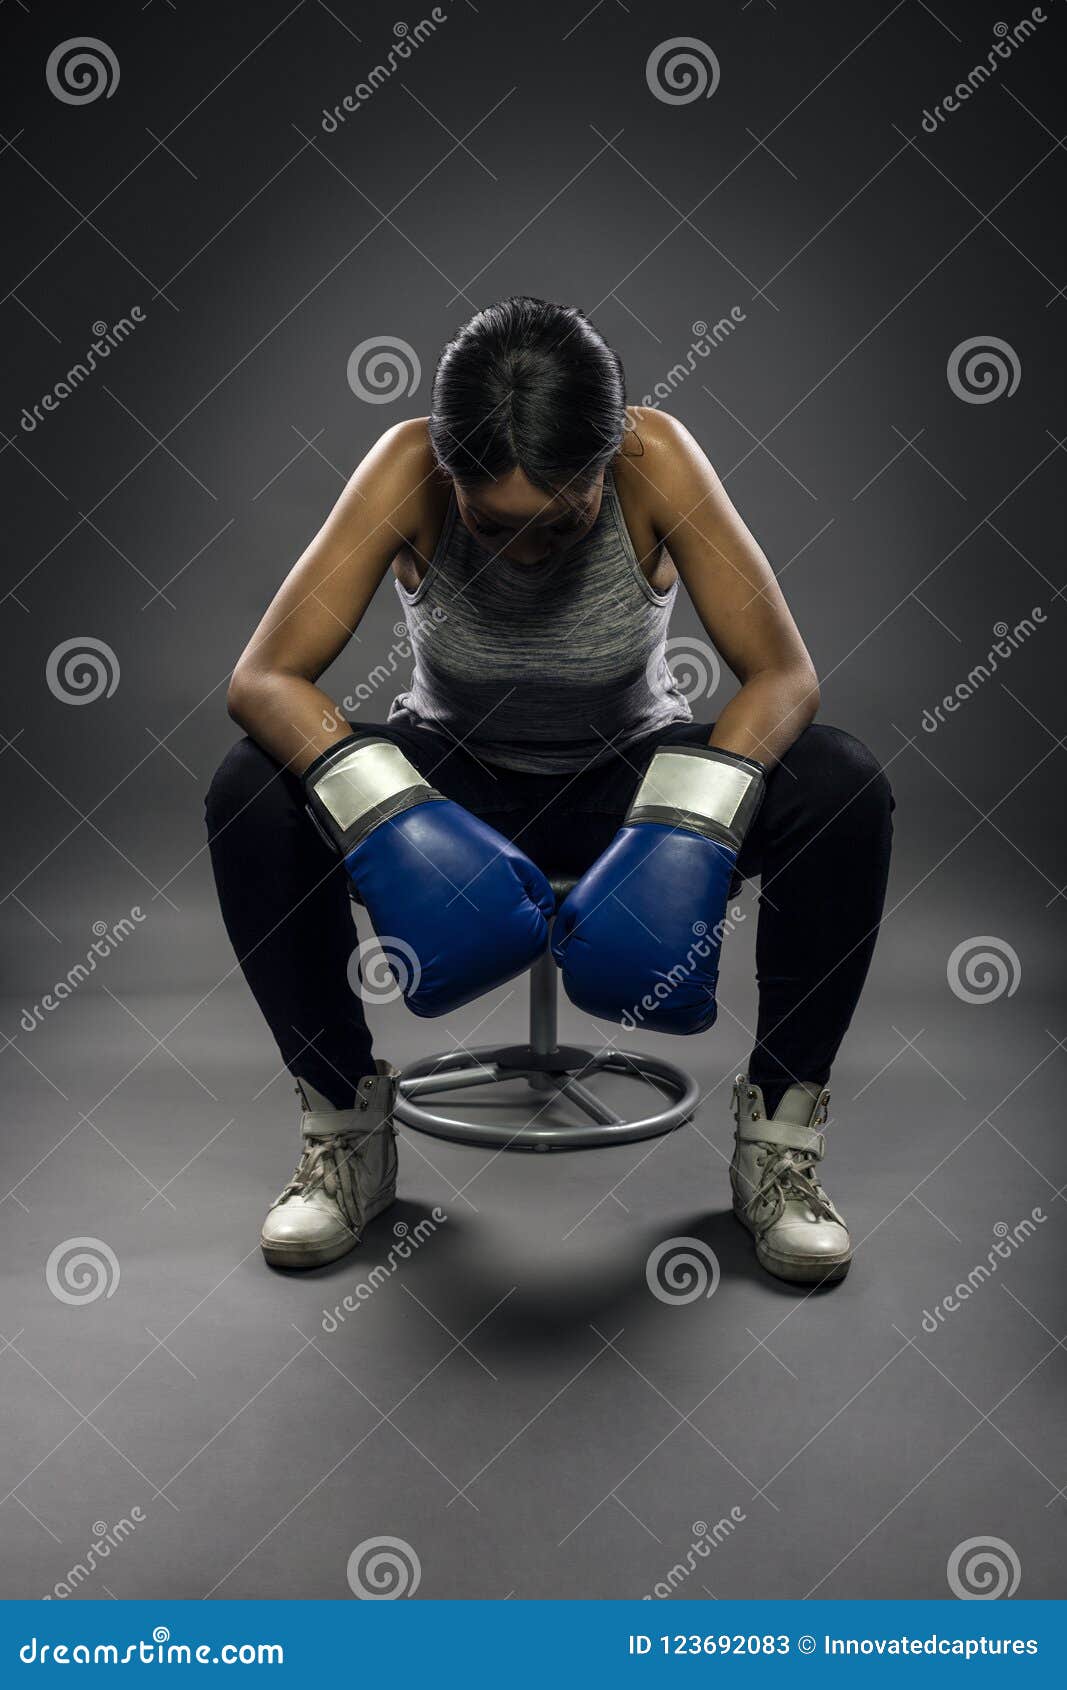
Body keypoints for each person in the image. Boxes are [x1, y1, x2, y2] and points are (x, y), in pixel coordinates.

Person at [205, 296, 893, 1285]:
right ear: (451, 475)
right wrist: (390, 813)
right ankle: (344, 1126)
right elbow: (263, 678)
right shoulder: (406, 468)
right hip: (450, 775)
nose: (526, 552)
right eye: (495, 527)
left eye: (558, 524)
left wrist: (682, 829)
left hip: (627, 774)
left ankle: (779, 1145)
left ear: (606, 465)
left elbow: (782, 677)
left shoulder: (655, 461)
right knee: (250, 790)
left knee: (841, 785)